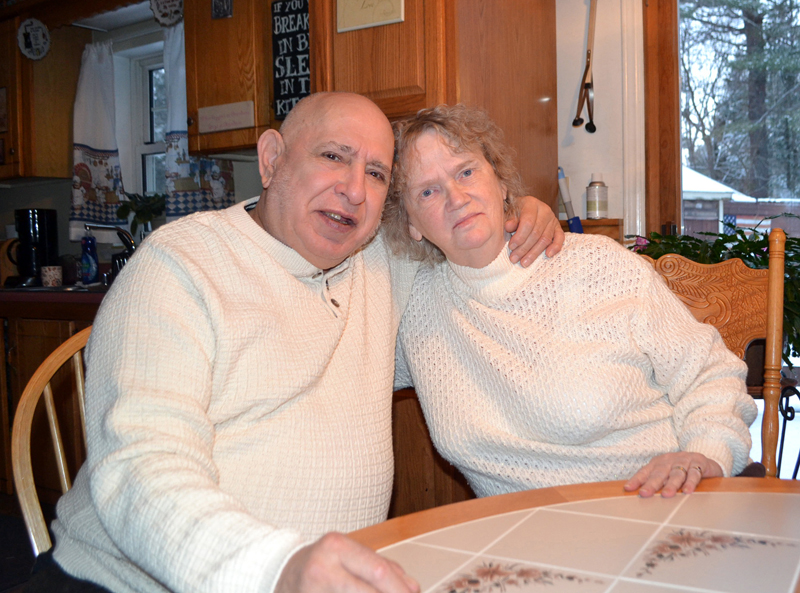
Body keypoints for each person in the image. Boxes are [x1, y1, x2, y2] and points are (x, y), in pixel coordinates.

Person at [31, 93, 563, 593]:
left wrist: (520, 211)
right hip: (135, 583)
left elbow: (463, 233)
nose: (354, 190)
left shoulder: (382, 258)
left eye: (376, 174)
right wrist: (276, 568)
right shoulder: (181, 266)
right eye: (334, 156)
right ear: (271, 160)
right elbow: (139, 469)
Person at [384, 104, 757, 501]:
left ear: (502, 183)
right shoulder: (414, 311)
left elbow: (708, 372)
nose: (455, 197)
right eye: (427, 191)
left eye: (466, 172)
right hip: (523, 540)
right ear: (410, 223)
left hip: (653, 507)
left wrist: (703, 454)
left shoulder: (598, 264)